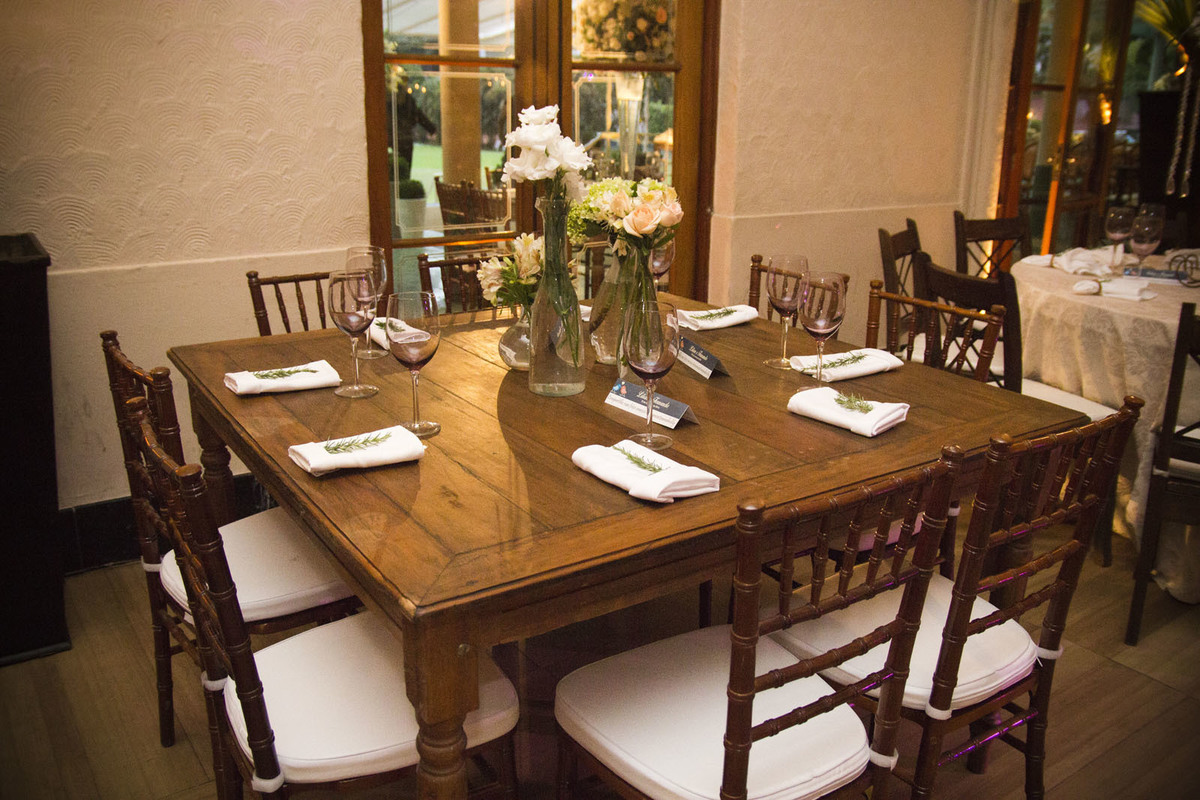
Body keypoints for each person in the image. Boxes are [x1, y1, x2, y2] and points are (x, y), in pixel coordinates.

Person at [391, 75, 436, 179]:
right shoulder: (406, 100)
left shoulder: (394, 99)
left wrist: (431, 128)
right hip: (404, 140)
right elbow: (418, 115)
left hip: (396, 139)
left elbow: (418, 115)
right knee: (404, 170)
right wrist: (431, 128)